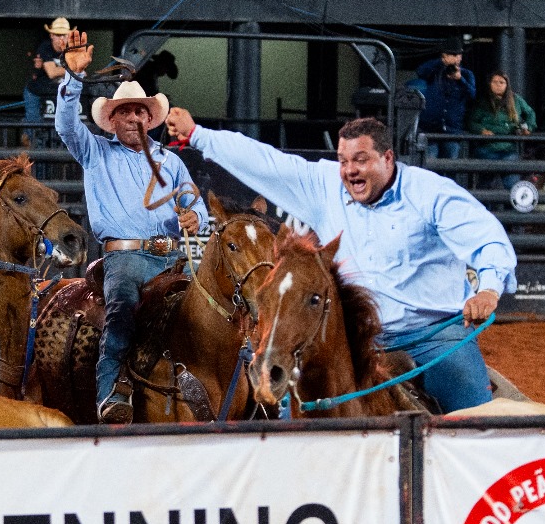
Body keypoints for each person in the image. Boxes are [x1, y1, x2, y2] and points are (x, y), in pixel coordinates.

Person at [164, 110, 516, 413]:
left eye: (361, 160)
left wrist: (487, 288)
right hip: (357, 336)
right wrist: (199, 135)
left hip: (435, 332)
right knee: (292, 405)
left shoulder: (430, 193)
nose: (349, 171)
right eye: (344, 160)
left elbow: (485, 236)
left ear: (388, 158)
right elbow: (265, 161)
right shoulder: (325, 185)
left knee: (475, 417)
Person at [56, 30, 208, 425]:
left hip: (170, 257)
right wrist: (72, 79)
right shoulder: (95, 152)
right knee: (121, 311)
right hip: (124, 257)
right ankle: (110, 395)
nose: (135, 118)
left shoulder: (171, 162)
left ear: (148, 118)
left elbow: (196, 207)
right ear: (113, 120)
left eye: (141, 111)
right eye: (126, 111)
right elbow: (66, 126)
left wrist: (194, 217)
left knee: (208, 311)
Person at [467, 70, 536, 190]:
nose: (498, 85)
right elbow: (471, 121)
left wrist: (528, 128)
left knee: (512, 186)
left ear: (506, 85)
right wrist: (481, 130)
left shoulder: (516, 100)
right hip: (487, 149)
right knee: (485, 185)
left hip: (509, 149)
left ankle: (511, 209)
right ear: (490, 84)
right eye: (494, 82)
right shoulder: (483, 102)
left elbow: (530, 113)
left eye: (501, 82)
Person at [415, 38, 475, 159]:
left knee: (451, 165)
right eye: (451, 55)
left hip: (452, 129)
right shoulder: (435, 71)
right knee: (430, 165)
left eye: (457, 55)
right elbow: (420, 71)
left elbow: (472, 94)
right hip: (430, 128)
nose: (455, 58)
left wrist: (460, 80)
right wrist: (442, 62)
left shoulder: (467, 74)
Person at [22, 16, 72, 147]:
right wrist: (73, 68)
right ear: (51, 35)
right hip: (36, 93)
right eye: (57, 35)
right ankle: (28, 137)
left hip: (57, 94)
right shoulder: (45, 47)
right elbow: (52, 73)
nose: (61, 39)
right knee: (35, 127)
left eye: (64, 35)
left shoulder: (73, 50)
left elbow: (82, 73)